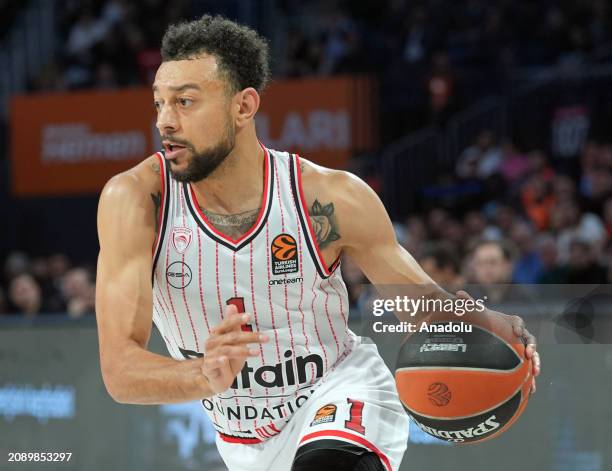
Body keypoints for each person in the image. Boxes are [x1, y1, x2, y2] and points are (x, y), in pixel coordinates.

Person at [95, 15, 540, 471]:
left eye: (185, 102)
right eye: (159, 104)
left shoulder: (328, 197)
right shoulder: (133, 202)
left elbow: (418, 306)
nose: (165, 122)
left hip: (342, 396)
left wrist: (484, 322)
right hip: (242, 443)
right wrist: (201, 374)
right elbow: (120, 371)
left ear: (244, 106)